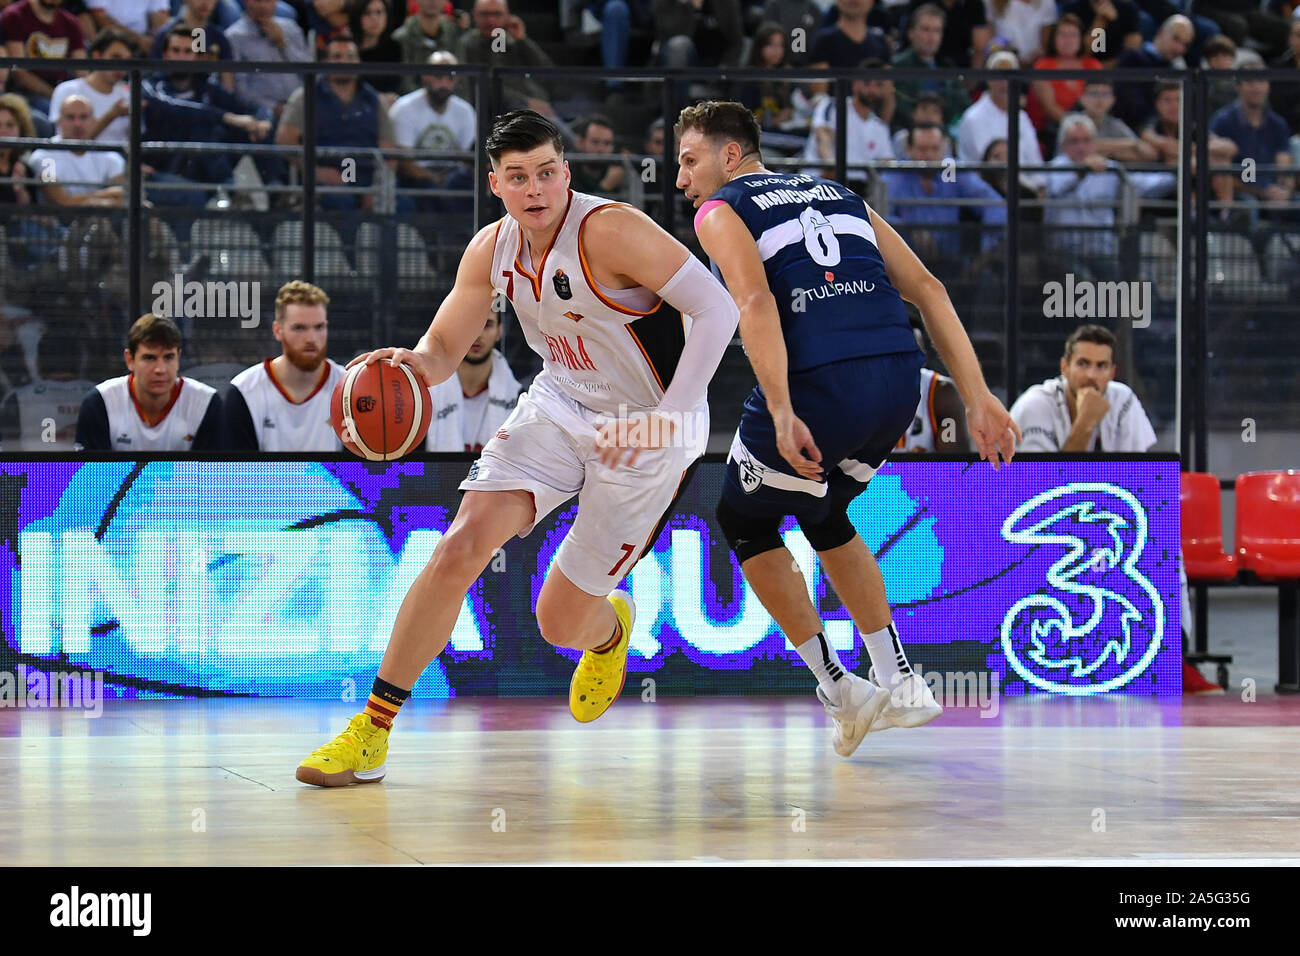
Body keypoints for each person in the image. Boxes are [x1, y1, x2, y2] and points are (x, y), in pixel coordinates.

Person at [295, 109, 740, 786]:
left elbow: (718, 308)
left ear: (565, 172)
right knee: (459, 547)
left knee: (559, 622)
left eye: (547, 173)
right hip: (560, 404)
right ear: (496, 184)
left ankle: (609, 632)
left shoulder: (611, 229)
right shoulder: (491, 249)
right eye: (518, 177)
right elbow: (444, 347)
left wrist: (672, 417)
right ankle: (372, 731)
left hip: (648, 427)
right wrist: (413, 367)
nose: (536, 189)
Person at [675, 101, 1021, 757]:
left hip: (821, 389)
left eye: (690, 161)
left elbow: (754, 303)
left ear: (728, 156)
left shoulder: (718, 211)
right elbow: (929, 288)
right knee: (824, 510)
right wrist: (978, 397)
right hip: (896, 385)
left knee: (743, 520)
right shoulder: (842, 194)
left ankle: (840, 689)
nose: (681, 179)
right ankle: (901, 680)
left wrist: (781, 411)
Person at [1008, 323, 1221, 694]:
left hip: (1108, 523)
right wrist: (1086, 423)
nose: (1092, 375)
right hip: (1042, 532)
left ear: (1113, 370)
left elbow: (1142, 479)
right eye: (1083, 363)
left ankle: (1173, 656)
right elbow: (1038, 490)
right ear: (1064, 366)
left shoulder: (1122, 400)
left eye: (1102, 366)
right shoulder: (1034, 405)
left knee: (1165, 552)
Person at [224, 280, 346, 452]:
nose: (311, 338)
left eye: (319, 327)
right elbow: (239, 475)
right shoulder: (244, 391)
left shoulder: (348, 388)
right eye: (299, 328)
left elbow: (365, 472)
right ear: (277, 331)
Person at [74, 313, 222, 451]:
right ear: (130, 360)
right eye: (150, 358)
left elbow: (215, 476)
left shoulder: (206, 403)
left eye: (169, 357)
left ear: (178, 358)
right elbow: (89, 476)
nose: (160, 369)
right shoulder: (100, 403)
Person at [880, 121, 1007, 260]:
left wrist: (985, 253)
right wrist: (908, 229)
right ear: (909, 149)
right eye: (922, 149)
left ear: (943, 149)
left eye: (935, 149)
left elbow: (995, 204)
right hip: (904, 260)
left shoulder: (950, 169)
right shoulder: (896, 174)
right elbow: (879, 216)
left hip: (951, 262)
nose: (929, 156)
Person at [389, 51, 476, 213]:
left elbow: (466, 159)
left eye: (450, 78)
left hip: (453, 180)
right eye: (438, 76)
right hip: (416, 180)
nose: (444, 83)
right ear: (425, 76)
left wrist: (447, 179)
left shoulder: (465, 111)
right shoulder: (404, 108)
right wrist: (435, 179)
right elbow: (405, 162)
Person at [424, 311, 522, 451]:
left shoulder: (519, 401)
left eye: (487, 325)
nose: (477, 334)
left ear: (499, 332)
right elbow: (410, 468)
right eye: (468, 324)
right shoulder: (426, 398)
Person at [956, 50, 1045, 192]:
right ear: (988, 79)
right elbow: (988, 168)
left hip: (1024, 190)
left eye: (1009, 75)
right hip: (986, 191)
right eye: (998, 76)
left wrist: (1040, 187)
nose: (1004, 82)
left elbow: (1035, 161)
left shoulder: (1021, 117)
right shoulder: (974, 118)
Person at [801, 59, 895, 190]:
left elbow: (887, 163)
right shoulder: (832, 106)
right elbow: (823, 138)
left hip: (859, 190)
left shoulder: (880, 127)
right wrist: (831, 167)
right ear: (855, 84)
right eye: (867, 83)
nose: (872, 89)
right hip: (821, 182)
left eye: (878, 85)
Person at [0, 331, 96, 450]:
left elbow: (7, 456)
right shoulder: (102, 394)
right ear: (81, 361)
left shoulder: (18, 398)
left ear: (38, 363)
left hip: (35, 469)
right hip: (93, 469)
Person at [28, 94, 125, 207]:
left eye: (83, 117)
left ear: (93, 121)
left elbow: (124, 195)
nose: (77, 124)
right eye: (70, 117)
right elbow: (61, 201)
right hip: (58, 222)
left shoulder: (110, 155)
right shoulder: (45, 157)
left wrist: (85, 201)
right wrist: (107, 195)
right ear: (59, 121)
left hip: (101, 221)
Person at [226, 0, 312, 120]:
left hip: (300, 107)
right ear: (246, 2)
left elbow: (309, 71)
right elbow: (240, 88)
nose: (263, 6)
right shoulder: (234, 36)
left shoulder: (291, 28)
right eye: (258, 1)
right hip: (262, 112)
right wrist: (273, 107)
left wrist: (283, 44)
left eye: (268, 1)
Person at [2, 0, 87, 117]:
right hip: (26, 94)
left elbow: (82, 71)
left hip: (61, 90)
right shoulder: (15, 15)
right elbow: (19, 72)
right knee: (55, 114)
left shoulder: (71, 23)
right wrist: (56, 96)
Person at [49, 27, 133, 144]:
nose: (121, 66)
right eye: (115, 57)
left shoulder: (129, 94)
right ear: (97, 56)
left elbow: (133, 141)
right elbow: (67, 141)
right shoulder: (67, 90)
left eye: (126, 60)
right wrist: (112, 115)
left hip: (119, 161)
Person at [896, 318, 970, 451]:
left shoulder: (941, 392)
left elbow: (953, 465)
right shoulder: (862, 391)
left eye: (913, 352)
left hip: (922, 473)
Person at [568, 113, 625, 195]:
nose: (601, 149)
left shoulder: (618, 171)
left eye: (607, 143)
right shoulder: (566, 173)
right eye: (595, 142)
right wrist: (605, 187)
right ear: (580, 142)